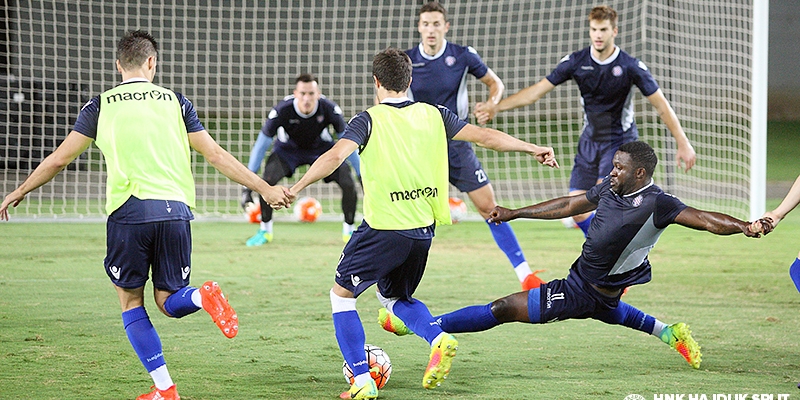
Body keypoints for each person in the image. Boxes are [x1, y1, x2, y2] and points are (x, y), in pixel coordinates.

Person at [0, 31, 290, 400]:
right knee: (169, 300)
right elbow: (216, 155)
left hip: (130, 211)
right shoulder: (177, 102)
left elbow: (60, 159)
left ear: (118, 65)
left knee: (131, 302)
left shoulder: (100, 105)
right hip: (176, 213)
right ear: (152, 63)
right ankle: (201, 297)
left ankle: (165, 389)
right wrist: (264, 188)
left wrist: (20, 189)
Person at [288, 48, 558, 399]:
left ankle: (360, 380)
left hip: (383, 229)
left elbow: (334, 156)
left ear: (376, 81)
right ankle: (437, 337)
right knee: (395, 297)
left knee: (341, 296)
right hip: (422, 231)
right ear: (410, 81)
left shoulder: (367, 120)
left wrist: (295, 188)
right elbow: (484, 136)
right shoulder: (434, 114)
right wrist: (531, 147)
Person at [380, 141, 766, 372]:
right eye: (613, 165)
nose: (612, 172)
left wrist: (743, 225)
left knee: (502, 308)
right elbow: (568, 203)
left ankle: (423, 326)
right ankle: (670, 332)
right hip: (594, 284)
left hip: (584, 289)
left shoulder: (659, 203)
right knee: (608, 309)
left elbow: (704, 219)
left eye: (619, 168)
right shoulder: (611, 189)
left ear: (641, 172)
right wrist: (516, 212)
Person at [475, 5, 697, 239]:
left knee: (604, 200)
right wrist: (496, 106)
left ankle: (608, 256)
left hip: (619, 143)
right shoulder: (577, 62)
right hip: (589, 141)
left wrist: (683, 143)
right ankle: (607, 252)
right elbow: (536, 92)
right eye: (594, 29)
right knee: (578, 210)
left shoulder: (631, 66)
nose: (598, 35)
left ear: (614, 31)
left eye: (603, 29)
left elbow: (661, 106)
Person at [404, 1, 541, 290]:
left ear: (446, 26)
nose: (431, 29)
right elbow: (386, 99)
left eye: (436, 24)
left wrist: (491, 105)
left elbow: (495, 83)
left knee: (490, 208)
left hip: (458, 143)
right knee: (409, 217)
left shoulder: (462, 55)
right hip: (421, 148)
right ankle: (394, 288)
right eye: (426, 24)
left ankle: (525, 275)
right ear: (419, 27)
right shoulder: (406, 61)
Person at [241, 73, 360, 246]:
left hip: (320, 151)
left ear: (318, 94)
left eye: (311, 94)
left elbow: (349, 143)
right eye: (302, 93)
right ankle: (265, 231)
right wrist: (247, 187)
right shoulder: (282, 110)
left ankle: (349, 231)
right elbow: (261, 145)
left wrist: (360, 174)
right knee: (267, 181)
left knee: (348, 182)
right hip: (287, 152)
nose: (307, 98)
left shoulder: (329, 109)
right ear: (295, 93)